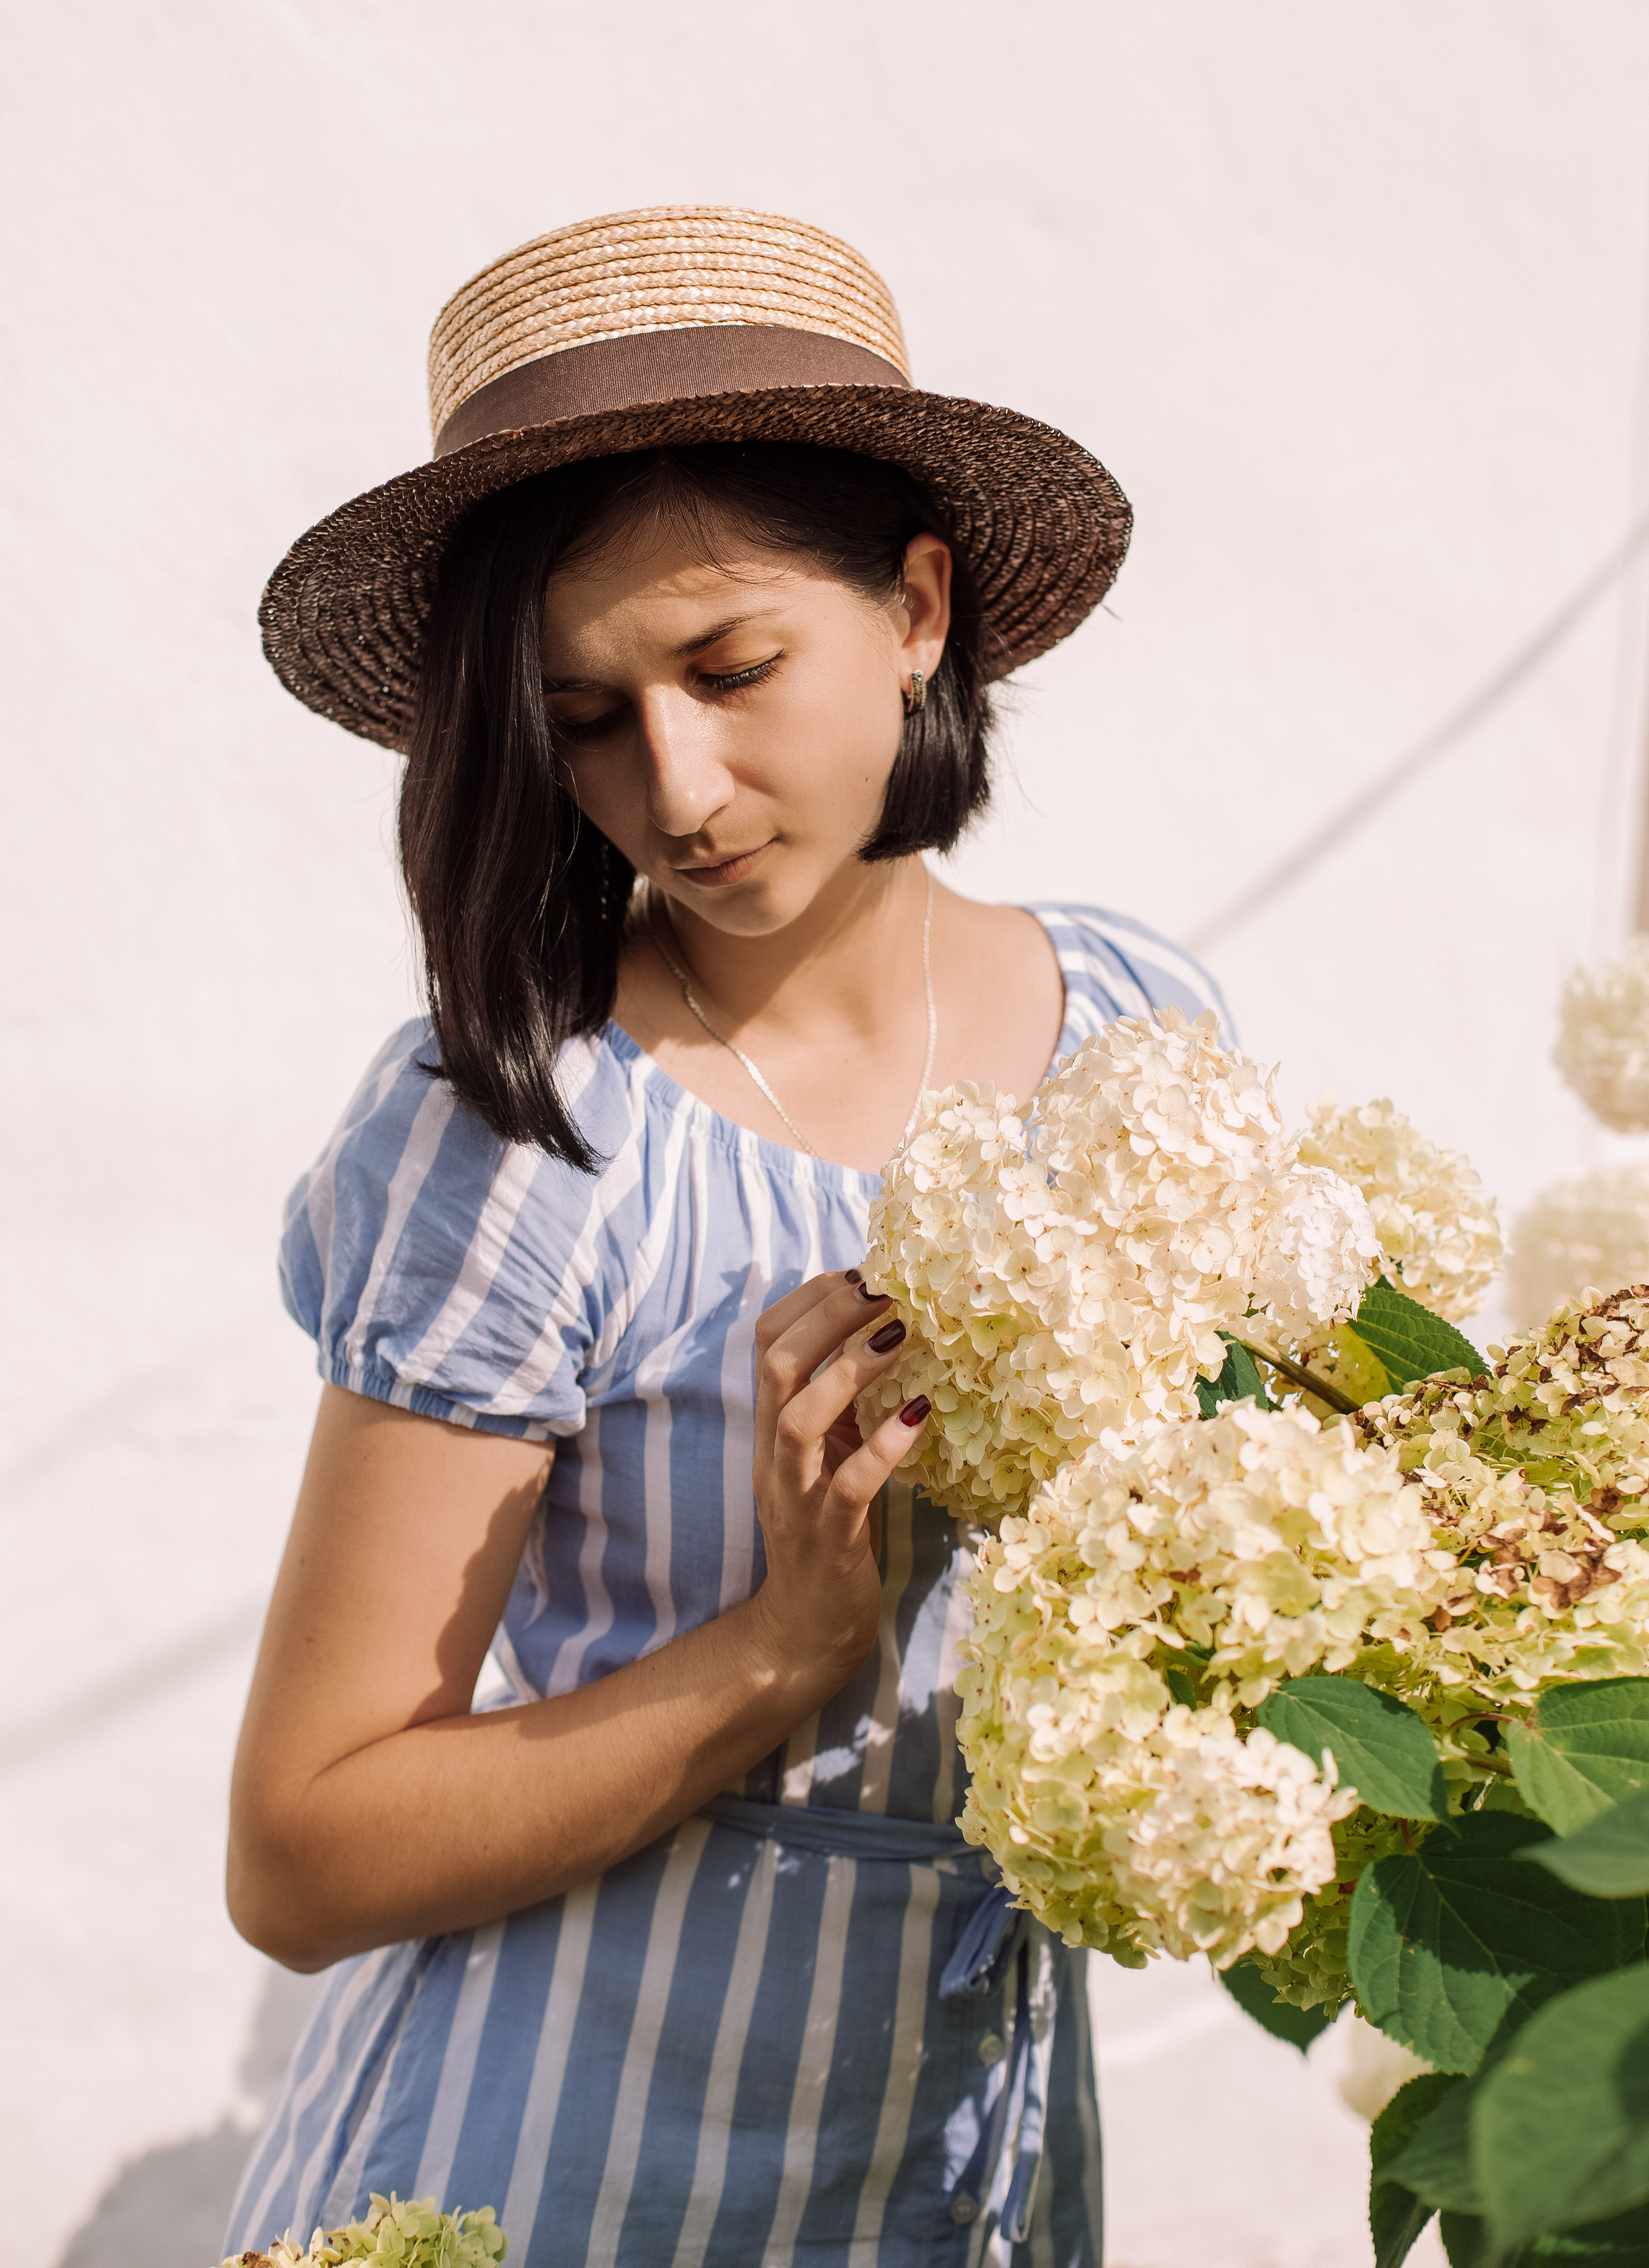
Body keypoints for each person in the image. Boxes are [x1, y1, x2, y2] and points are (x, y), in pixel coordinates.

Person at [223, 205, 1223, 2268]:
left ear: (920, 607)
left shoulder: (1142, 1040)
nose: (674, 784)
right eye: (585, 716)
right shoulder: (521, 1131)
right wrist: (776, 1650)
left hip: (971, 2162)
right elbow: (305, 1847)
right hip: (556, 2176)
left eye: (730, 665)